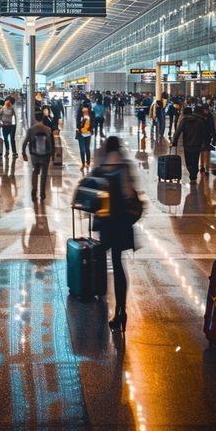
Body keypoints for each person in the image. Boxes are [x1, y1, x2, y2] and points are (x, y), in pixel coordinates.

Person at [91, 136, 138, 333]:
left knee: (101, 257)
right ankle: (121, 311)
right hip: (121, 223)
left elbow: (91, 195)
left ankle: (99, 293)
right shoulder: (124, 167)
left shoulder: (100, 168)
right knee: (118, 264)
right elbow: (129, 195)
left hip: (106, 224)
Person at [22, 111, 55, 201]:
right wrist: (53, 154)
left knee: (35, 171)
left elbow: (25, 143)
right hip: (46, 155)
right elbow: (52, 143)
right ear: (43, 118)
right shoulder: (48, 129)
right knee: (44, 174)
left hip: (35, 154)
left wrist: (23, 153)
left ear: (35, 118)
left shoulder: (31, 130)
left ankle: (34, 190)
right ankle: (42, 194)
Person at [171, 107, 206, 182]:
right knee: (195, 161)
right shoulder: (199, 121)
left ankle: (192, 174)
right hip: (197, 145)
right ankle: (194, 175)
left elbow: (178, 132)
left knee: (188, 161)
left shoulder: (184, 121)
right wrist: (203, 143)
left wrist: (174, 142)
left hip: (187, 145)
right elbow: (203, 133)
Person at [199, 104, 216, 174]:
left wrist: (214, 137)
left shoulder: (209, 115)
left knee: (206, 151)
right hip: (200, 136)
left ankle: (206, 168)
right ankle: (202, 166)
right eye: (205, 109)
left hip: (207, 136)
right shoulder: (200, 115)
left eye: (207, 109)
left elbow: (212, 127)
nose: (206, 111)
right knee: (202, 151)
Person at [76, 104, 94, 170]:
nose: (84, 109)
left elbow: (93, 123)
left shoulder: (91, 114)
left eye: (86, 108)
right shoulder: (79, 114)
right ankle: (83, 163)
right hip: (80, 134)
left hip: (88, 134)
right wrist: (80, 129)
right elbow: (77, 123)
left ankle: (88, 162)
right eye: (83, 108)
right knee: (82, 150)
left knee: (87, 149)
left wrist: (89, 128)